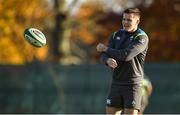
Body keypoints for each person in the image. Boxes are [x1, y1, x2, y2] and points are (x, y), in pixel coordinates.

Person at [96, 8, 149, 115]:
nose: (125, 22)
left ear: (137, 21)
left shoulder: (141, 37)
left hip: (132, 85)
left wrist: (105, 48)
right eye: (124, 19)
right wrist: (107, 60)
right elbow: (103, 56)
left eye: (129, 20)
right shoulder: (116, 35)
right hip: (116, 82)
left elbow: (126, 55)